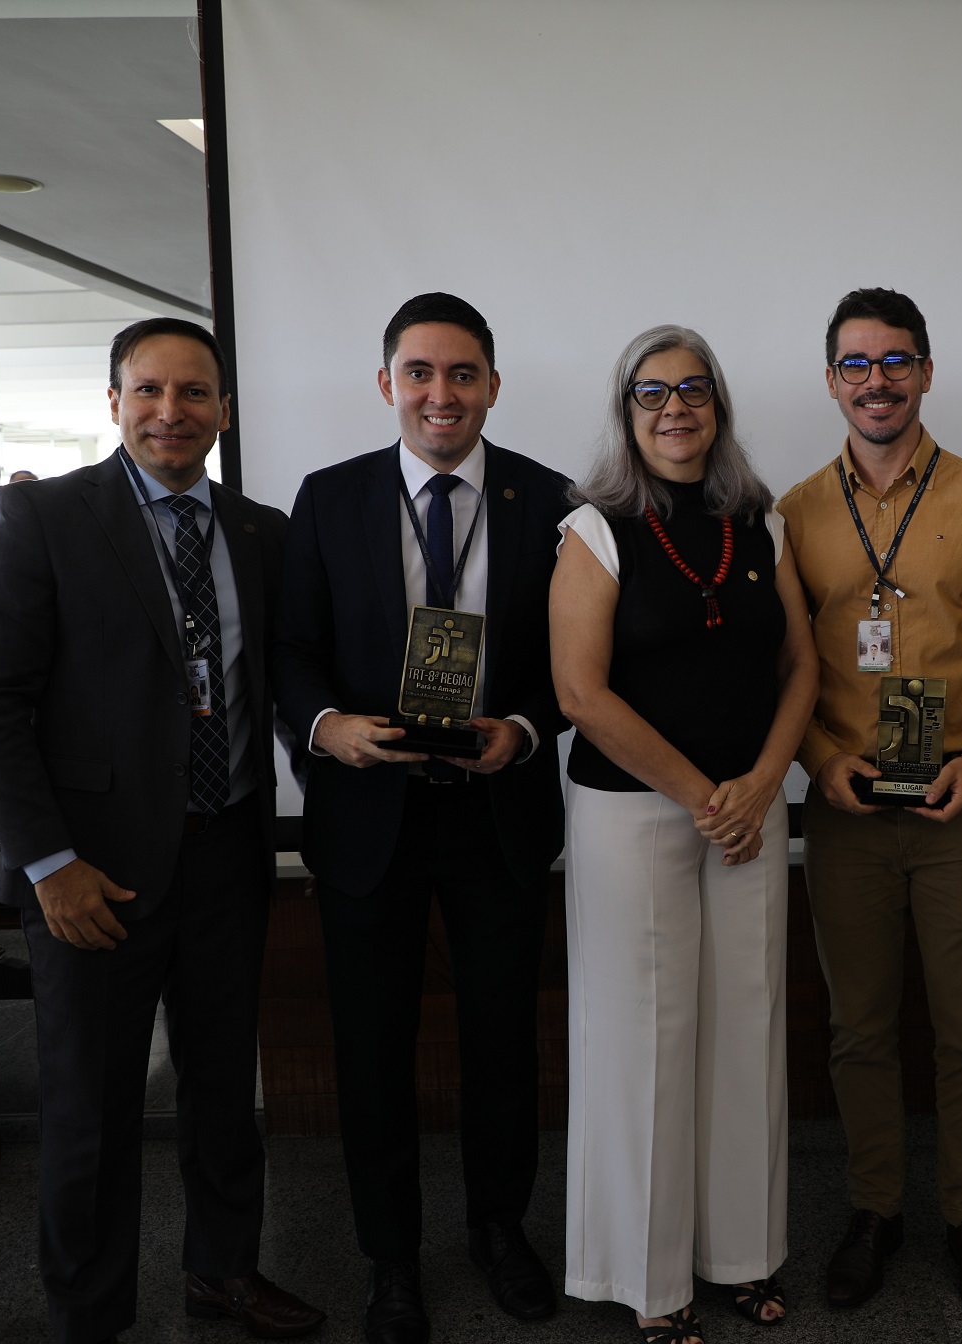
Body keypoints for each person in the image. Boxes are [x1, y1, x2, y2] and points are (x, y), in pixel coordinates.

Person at [0, 317, 324, 1343]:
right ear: (113, 401)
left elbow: (275, 688)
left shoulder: (262, 531)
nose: (173, 411)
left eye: (195, 393)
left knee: (221, 1093)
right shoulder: (41, 520)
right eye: (150, 391)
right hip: (92, 873)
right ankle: (91, 1314)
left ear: (223, 410)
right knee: (92, 1110)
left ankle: (224, 1273)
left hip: (228, 855)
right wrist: (48, 865)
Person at [273, 292, 572, 1343]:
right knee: (373, 1049)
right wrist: (325, 728)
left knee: (504, 1045)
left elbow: (574, 666)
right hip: (369, 815)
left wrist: (525, 732)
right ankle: (389, 1261)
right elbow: (291, 649)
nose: (440, 394)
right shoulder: (329, 497)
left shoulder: (552, 502)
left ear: (493, 384)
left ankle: (500, 1232)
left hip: (498, 811)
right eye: (420, 373)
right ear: (387, 382)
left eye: (462, 374)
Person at [778, 287, 962, 1326]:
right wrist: (816, 757)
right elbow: (780, 662)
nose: (877, 380)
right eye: (856, 364)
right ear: (830, 381)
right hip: (846, 812)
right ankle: (874, 1212)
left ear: (928, 372)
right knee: (858, 1029)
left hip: (959, 810)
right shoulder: (796, 513)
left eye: (897, 361)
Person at [550, 326, 818, 1344]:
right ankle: (650, 1281)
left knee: (747, 1027)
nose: (676, 409)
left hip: (749, 806)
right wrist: (710, 795)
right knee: (647, 1040)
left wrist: (757, 786)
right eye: (652, 392)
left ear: (720, 404)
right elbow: (581, 693)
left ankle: (743, 1257)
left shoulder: (762, 523)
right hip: (635, 813)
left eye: (694, 390)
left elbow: (803, 669)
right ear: (627, 411)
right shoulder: (595, 531)